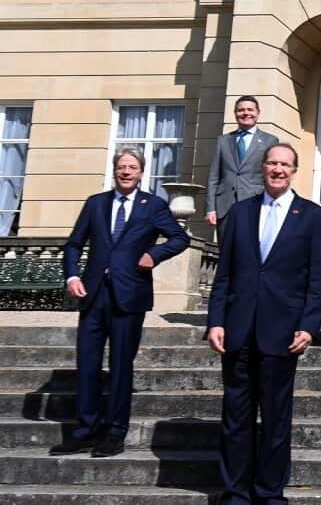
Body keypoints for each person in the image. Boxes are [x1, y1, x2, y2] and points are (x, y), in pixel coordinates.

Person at [207, 143, 321, 505]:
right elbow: (224, 274)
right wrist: (215, 321)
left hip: (283, 331)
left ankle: (269, 493)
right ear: (262, 168)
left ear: (294, 170)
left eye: (284, 164)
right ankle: (235, 492)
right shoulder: (240, 212)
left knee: (276, 419)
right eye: (272, 163)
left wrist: (309, 325)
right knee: (236, 418)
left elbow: (318, 279)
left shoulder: (313, 217)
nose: (278, 169)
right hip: (238, 329)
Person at [51, 148, 190, 457]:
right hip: (93, 295)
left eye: (132, 167)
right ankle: (85, 430)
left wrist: (154, 254)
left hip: (130, 296)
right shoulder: (96, 203)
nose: (126, 172)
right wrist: (72, 276)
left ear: (141, 173)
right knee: (87, 365)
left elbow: (180, 238)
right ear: (115, 170)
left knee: (120, 366)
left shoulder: (153, 205)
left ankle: (115, 432)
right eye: (121, 167)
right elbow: (74, 244)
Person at [206, 95, 280, 232]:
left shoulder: (270, 141)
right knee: (226, 245)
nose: (246, 113)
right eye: (241, 110)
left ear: (258, 113)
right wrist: (211, 209)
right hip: (225, 207)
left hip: (255, 204)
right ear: (235, 114)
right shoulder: (223, 141)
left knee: (251, 244)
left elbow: (272, 176)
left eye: (250, 110)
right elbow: (214, 177)